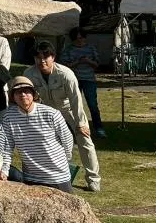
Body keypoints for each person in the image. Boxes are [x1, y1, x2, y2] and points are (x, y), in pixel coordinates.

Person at [24, 41, 101, 192]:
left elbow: (76, 99)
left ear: (53, 57)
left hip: (67, 110)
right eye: (38, 57)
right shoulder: (29, 74)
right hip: (45, 111)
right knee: (41, 142)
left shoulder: (65, 74)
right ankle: (44, 177)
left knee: (84, 139)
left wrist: (80, 123)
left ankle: (94, 179)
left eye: (46, 57)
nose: (42, 61)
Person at [0, 76, 74, 192]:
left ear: (34, 94)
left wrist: (66, 160)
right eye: (18, 92)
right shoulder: (9, 117)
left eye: (27, 91)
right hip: (32, 177)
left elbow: (67, 139)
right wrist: (4, 170)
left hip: (58, 176)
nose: (23, 95)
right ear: (12, 97)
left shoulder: (52, 114)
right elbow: (7, 147)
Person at [60, 27, 105, 138]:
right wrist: (78, 62)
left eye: (82, 38)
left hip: (89, 80)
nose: (80, 40)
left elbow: (97, 64)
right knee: (74, 105)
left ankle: (99, 128)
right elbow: (64, 66)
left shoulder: (91, 48)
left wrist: (88, 61)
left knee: (93, 105)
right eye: (77, 38)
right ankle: (73, 128)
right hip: (74, 80)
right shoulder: (68, 50)